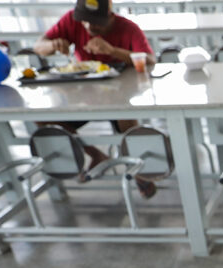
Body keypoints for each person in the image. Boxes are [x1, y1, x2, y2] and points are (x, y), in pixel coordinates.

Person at [33, 0, 157, 197]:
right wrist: (52, 44)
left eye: (96, 22)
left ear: (110, 15)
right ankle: (95, 154)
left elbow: (150, 60)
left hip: (121, 94)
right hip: (84, 95)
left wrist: (112, 51)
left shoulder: (128, 28)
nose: (90, 26)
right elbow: (38, 46)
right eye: (85, 21)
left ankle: (139, 172)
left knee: (125, 117)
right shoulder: (71, 21)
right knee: (44, 119)